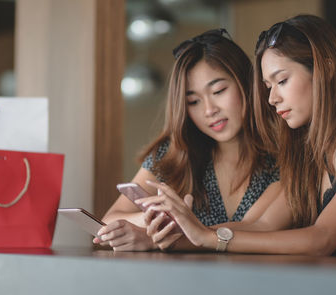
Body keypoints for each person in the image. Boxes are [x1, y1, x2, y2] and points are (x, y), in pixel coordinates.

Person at [139, 15, 336, 262]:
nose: (271, 99)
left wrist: (209, 238)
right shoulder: (309, 150)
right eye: (267, 87)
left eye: (281, 81)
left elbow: (322, 239)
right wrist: (179, 236)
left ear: (326, 69)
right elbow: (263, 225)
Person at [95, 28, 281, 251]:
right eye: (193, 102)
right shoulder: (174, 153)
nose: (209, 110)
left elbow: (255, 227)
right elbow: (110, 219)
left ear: (247, 83)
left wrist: (165, 235)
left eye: (219, 91)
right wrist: (156, 219)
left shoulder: (282, 156)